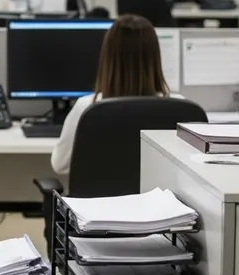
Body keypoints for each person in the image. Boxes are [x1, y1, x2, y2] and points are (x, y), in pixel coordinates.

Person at [51, 14, 178, 176]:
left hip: (102, 201)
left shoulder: (88, 107)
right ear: (154, 57)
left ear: (107, 57)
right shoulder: (181, 109)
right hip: (159, 201)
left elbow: (59, 165)